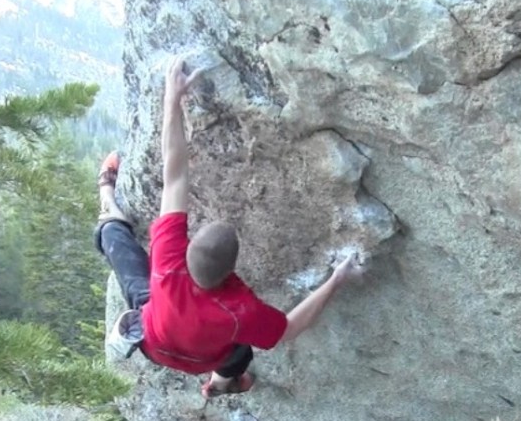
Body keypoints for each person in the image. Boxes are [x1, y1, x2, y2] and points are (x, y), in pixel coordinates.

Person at [94, 55, 364, 398]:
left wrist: (171, 99)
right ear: (231, 271)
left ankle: (107, 198)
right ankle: (221, 381)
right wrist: (337, 279)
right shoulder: (239, 311)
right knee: (243, 351)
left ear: (186, 252)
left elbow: (174, 173)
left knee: (112, 236)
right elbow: (289, 329)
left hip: (155, 343)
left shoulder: (166, 258)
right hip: (201, 357)